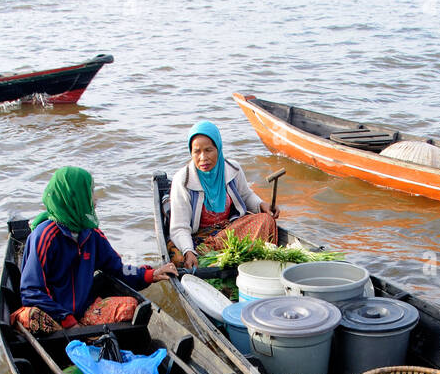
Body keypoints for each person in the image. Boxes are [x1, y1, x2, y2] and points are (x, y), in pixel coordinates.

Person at [15, 166, 176, 335]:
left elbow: (118, 269)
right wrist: (67, 320)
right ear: (74, 197)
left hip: (83, 311)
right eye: (90, 192)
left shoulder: (92, 235)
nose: (94, 198)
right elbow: (31, 291)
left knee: (130, 306)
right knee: (34, 316)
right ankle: (84, 336)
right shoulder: (44, 236)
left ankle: (86, 335)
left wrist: (150, 275)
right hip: (52, 315)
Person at [168, 121, 278, 270]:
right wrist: (188, 251)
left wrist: (261, 205)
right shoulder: (183, 180)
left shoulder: (232, 169)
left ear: (218, 149)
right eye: (197, 152)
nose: (203, 158)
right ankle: (234, 259)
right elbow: (179, 227)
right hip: (199, 240)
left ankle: (241, 261)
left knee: (266, 220)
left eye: (208, 150)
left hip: (230, 231)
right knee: (179, 259)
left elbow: (246, 195)